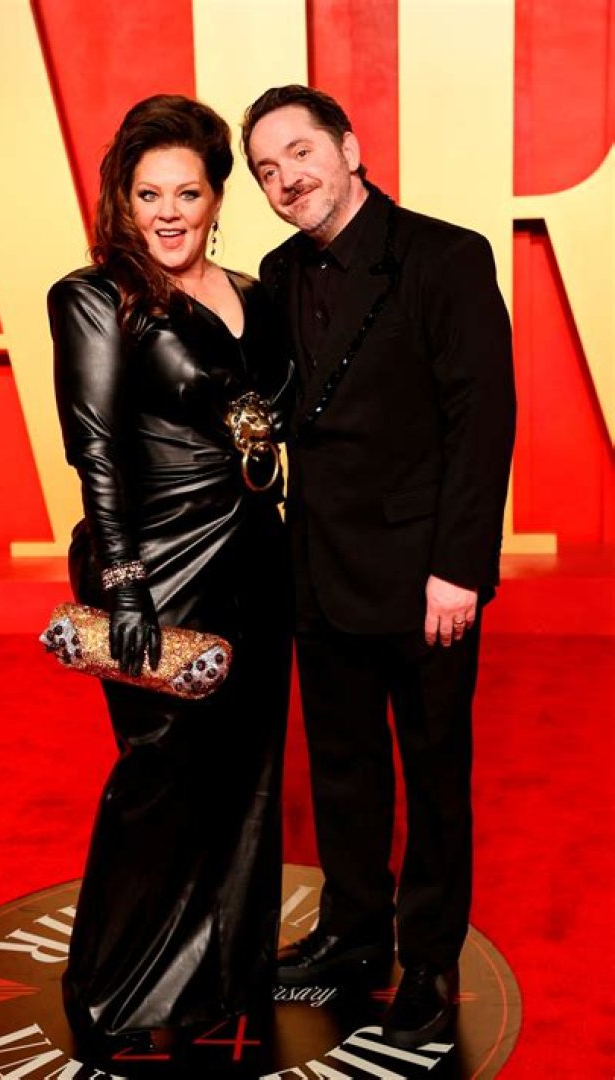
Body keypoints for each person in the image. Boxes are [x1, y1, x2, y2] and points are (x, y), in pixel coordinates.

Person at [242, 85, 516, 1049]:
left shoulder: (445, 256)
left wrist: (460, 569)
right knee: (345, 770)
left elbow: (482, 423)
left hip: (423, 576)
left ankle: (430, 960)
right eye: (266, 170)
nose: (287, 179)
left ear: (350, 148)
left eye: (300, 151)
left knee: (435, 776)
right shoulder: (276, 273)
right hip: (319, 568)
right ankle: (355, 931)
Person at [47, 94, 292, 1049]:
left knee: (248, 770)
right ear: (124, 198)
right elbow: (96, 450)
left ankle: (223, 973)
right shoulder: (96, 296)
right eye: (149, 193)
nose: (169, 213)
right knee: (160, 771)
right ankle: (116, 989)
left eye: (187, 192)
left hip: (256, 553)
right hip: (158, 560)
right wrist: (124, 581)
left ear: (217, 196)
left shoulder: (257, 293)